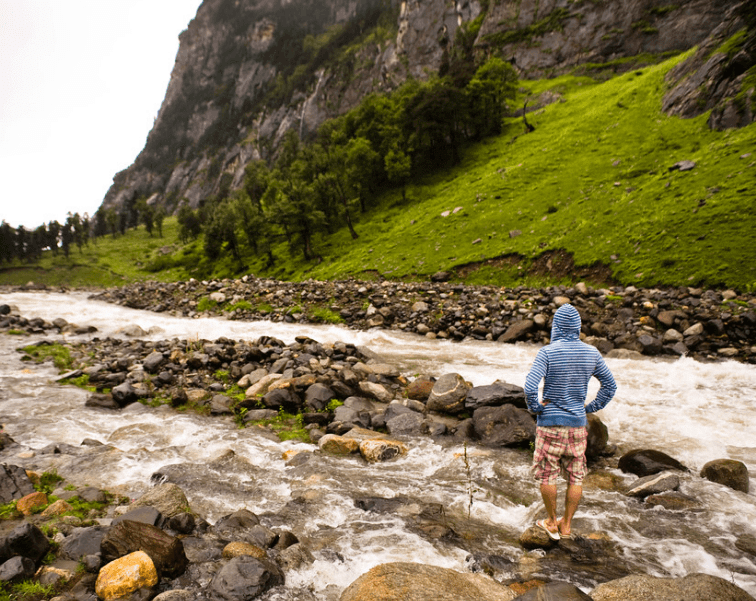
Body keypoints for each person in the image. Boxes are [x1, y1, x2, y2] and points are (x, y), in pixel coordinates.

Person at [524, 303, 616, 540]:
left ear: (556, 327)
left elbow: (530, 385)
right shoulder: (592, 353)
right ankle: (567, 526)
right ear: (577, 328)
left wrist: (535, 408)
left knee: (547, 475)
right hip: (577, 424)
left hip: (549, 424)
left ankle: (552, 522)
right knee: (576, 476)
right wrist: (589, 408)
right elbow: (610, 386)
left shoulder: (547, 352)